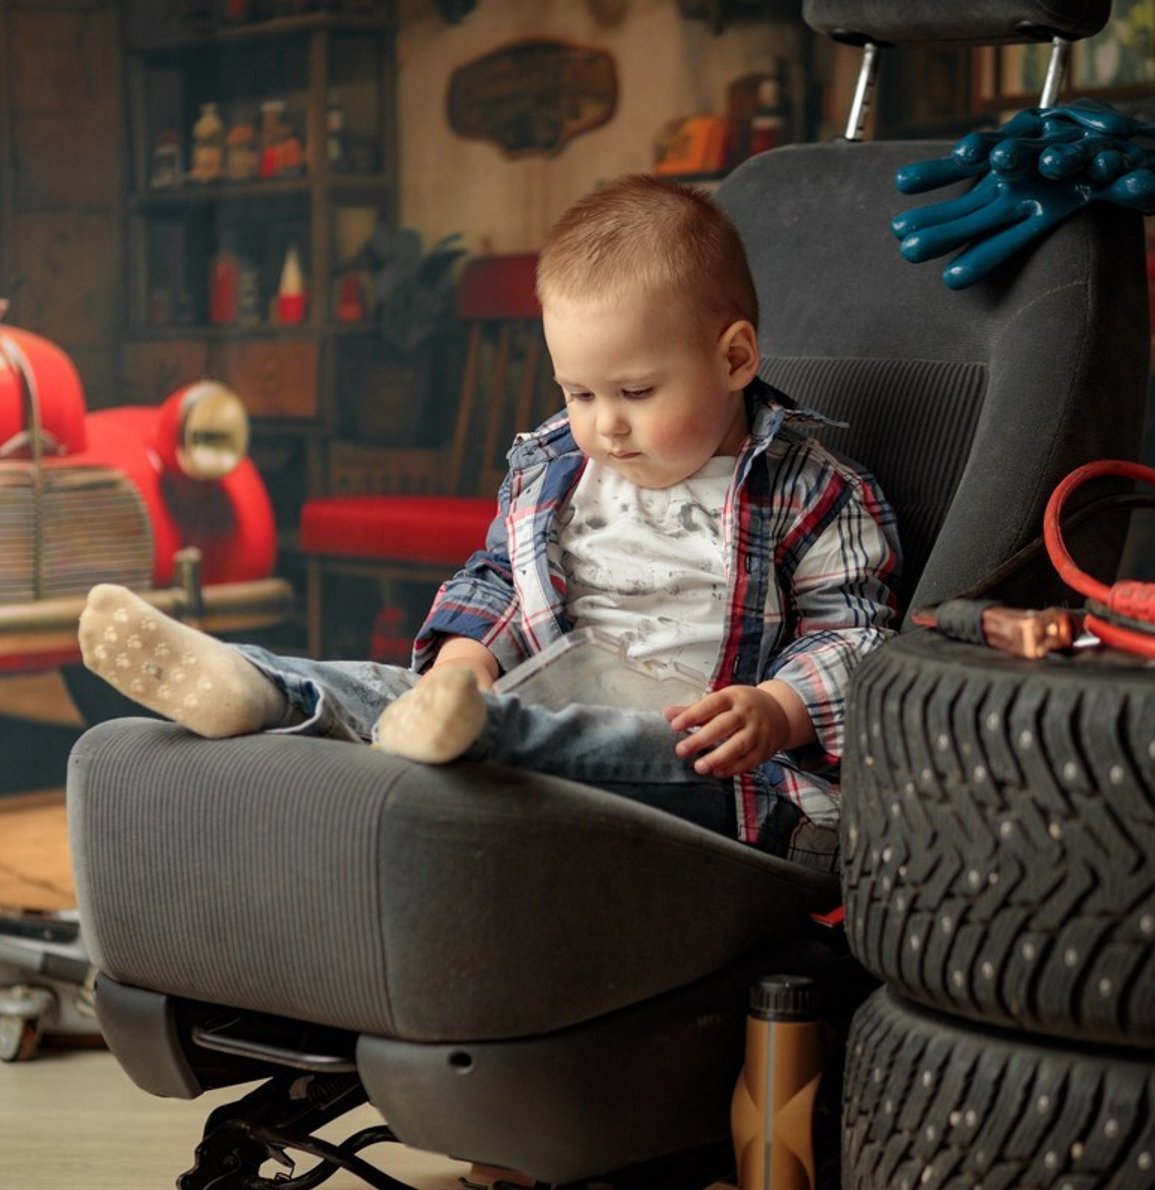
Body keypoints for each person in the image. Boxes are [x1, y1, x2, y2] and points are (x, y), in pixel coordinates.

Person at [79, 173, 901, 871]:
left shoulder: (813, 493)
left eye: (637, 393)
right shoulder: (558, 470)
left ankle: (465, 731)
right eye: (579, 394)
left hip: (704, 767)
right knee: (412, 688)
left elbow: (855, 636)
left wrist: (776, 709)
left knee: (560, 737)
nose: (605, 424)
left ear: (733, 359)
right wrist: (467, 661)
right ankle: (261, 685)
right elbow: (501, 579)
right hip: (537, 699)